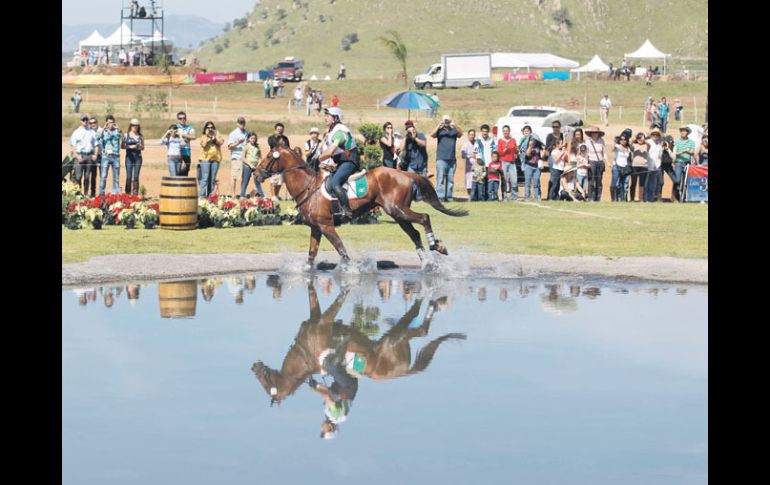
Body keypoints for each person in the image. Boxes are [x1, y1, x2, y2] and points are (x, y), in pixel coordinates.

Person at [318, 107, 359, 220]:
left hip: (350, 161)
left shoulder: (339, 132)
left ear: (335, 118)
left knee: (335, 182)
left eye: (328, 115)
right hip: (342, 161)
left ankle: (347, 210)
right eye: (325, 115)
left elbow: (330, 151)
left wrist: (319, 159)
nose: (325, 117)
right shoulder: (332, 130)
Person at [431, 115, 462, 202]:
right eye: (445, 120)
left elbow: (461, 134)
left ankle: (449, 197)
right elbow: (432, 135)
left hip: (452, 159)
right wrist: (439, 125)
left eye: (448, 120)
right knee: (440, 179)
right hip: (441, 158)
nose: (446, 122)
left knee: (450, 180)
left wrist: (455, 125)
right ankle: (440, 197)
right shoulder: (440, 130)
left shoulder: (453, 130)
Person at [399, 119, 428, 201]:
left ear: (414, 129)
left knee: (422, 182)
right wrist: (406, 138)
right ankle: (411, 197)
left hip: (422, 163)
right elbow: (401, 148)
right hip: (412, 164)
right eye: (408, 129)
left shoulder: (420, 135)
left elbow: (424, 144)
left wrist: (415, 138)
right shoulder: (407, 139)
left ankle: (420, 198)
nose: (411, 131)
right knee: (411, 182)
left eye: (412, 129)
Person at [70, 115, 99, 195]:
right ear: (81, 121)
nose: (85, 121)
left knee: (87, 177)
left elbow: (96, 144)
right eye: (83, 120)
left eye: (86, 120)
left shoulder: (92, 132)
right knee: (78, 176)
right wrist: (77, 156)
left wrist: (95, 155)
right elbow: (73, 146)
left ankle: (86, 194)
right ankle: (78, 193)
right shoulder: (76, 132)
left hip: (89, 156)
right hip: (80, 156)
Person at [646, 128, 673, 202]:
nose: (655, 136)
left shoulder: (660, 143)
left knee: (657, 182)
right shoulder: (648, 142)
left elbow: (667, 146)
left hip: (657, 166)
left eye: (657, 135)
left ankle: (653, 197)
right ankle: (647, 198)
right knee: (648, 183)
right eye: (653, 134)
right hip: (649, 166)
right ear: (651, 135)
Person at [198, 121, 223, 198]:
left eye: (212, 127)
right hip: (205, 159)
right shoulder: (203, 136)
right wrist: (207, 136)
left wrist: (214, 137)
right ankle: (202, 196)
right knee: (205, 178)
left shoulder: (217, 135)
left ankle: (210, 197)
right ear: (205, 129)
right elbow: (204, 145)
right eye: (208, 128)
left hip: (215, 159)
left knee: (212, 179)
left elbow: (220, 143)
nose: (210, 129)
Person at [120, 119, 144, 195]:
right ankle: (127, 193)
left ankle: (135, 194)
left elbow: (143, 148)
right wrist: (130, 147)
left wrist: (140, 146)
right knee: (129, 176)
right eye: (133, 125)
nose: (135, 127)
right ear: (130, 125)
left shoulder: (141, 136)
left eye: (136, 125)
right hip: (129, 157)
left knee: (136, 176)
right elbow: (122, 146)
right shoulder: (126, 135)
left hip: (138, 157)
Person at [99, 115, 122, 195]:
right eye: (108, 122)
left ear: (114, 123)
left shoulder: (117, 131)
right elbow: (97, 138)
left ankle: (115, 195)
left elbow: (124, 139)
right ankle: (101, 195)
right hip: (106, 156)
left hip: (116, 156)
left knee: (116, 178)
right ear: (106, 123)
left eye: (112, 122)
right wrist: (102, 129)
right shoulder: (104, 131)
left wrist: (119, 129)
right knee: (103, 176)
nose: (110, 124)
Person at [267, 123, 290, 199]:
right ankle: (273, 196)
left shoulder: (285, 138)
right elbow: (271, 144)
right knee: (273, 179)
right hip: (274, 161)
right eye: (278, 130)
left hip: (282, 161)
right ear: (275, 130)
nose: (280, 131)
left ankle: (276, 195)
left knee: (280, 180)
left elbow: (288, 148)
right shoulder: (271, 138)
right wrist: (278, 142)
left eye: (281, 130)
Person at [584, 126, 607, 201]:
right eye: (593, 133)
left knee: (599, 181)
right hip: (591, 161)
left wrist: (607, 162)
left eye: (596, 133)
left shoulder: (602, 141)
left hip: (600, 161)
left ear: (598, 133)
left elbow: (604, 153)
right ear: (591, 133)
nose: (594, 134)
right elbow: (586, 153)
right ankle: (590, 197)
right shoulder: (588, 142)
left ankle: (598, 197)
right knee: (591, 180)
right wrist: (586, 162)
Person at [673, 126, 696, 201]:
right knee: (677, 180)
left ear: (687, 133)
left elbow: (693, 152)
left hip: (687, 163)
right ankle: (675, 196)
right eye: (681, 131)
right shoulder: (676, 141)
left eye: (684, 131)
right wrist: (682, 152)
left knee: (685, 181)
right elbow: (674, 153)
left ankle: (683, 197)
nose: (682, 132)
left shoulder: (691, 142)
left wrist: (688, 152)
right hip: (678, 163)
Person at [496, 125, 519, 201]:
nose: (505, 132)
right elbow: (498, 153)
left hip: (512, 162)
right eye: (504, 131)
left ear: (509, 131)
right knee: (504, 180)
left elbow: (516, 151)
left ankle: (514, 197)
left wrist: (516, 149)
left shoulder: (513, 140)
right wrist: (504, 151)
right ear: (502, 132)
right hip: (503, 162)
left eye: (507, 130)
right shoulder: (500, 140)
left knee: (514, 180)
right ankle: (504, 197)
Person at [227, 117, 248, 195]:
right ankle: (233, 194)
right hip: (236, 157)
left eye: (243, 122)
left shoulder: (247, 133)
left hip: (245, 158)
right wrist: (238, 143)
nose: (242, 124)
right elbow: (229, 146)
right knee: (234, 177)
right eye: (240, 123)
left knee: (244, 177)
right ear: (237, 123)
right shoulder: (233, 133)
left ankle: (241, 194)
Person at [544, 121, 564, 200]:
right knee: (553, 178)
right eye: (553, 127)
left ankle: (556, 196)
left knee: (559, 177)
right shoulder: (549, 136)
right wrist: (553, 146)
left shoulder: (563, 135)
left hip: (561, 157)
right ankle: (550, 196)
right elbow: (547, 149)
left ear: (559, 127)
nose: (555, 128)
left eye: (557, 126)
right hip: (552, 157)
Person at [241, 132, 264, 198]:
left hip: (256, 167)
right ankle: (242, 195)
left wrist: (259, 164)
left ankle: (261, 195)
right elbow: (243, 157)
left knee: (257, 181)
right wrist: (250, 165)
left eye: (254, 138)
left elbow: (260, 157)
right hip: (248, 166)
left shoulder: (257, 146)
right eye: (251, 138)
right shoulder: (246, 146)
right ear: (248, 139)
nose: (253, 140)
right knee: (245, 181)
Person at [630, 132, 649, 202]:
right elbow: (630, 146)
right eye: (639, 138)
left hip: (644, 166)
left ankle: (640, 198)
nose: (640, 140)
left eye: (641, 138)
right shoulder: (634, 145)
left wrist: (644, 140)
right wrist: (635, 139)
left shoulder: (646, 145)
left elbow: (650, 145)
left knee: (642, 183)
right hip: (635, 166)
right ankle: (632, 198)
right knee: (633, 183)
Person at [612, 134, 632, 202]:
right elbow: (612, 149)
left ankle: (624, 199)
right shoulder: (617, 146)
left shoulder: (628, 148)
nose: (623, 141)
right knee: (618, 184)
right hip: (618, 167)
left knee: (625, 184)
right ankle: (617, 198)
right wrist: (614, 141)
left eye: (624, 139)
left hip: (625, 168)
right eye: (621, 139)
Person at [522, 136, 542, 201]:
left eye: (534, 140)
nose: (533, 141)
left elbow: (542, 156)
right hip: (528, 166)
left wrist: (544, 150)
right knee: (527, 183)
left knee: (536, 184)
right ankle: (527, 198)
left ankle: (536, 198)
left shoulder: (539, 147)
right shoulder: (527, 147)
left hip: (536, 167)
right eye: (532, 140)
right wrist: (530, 146)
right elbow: (528, 154)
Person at [175, 111, 196, 176]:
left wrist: (183, 135)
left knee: (186, 170)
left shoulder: (190, 128)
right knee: (177, 171)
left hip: (186, 152)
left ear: (186, 119)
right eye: (180, 118)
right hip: (177, 152)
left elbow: (194, 137)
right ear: (177, 119)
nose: (182, 120)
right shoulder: (175, 127)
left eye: (184, 118)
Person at [460, 130, 479, 198]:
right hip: (469, 167)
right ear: (468, 136)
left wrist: (476, 155)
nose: (472, 136)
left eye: (473, 135)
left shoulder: (477, 143)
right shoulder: (465, 144)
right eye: (470, 135)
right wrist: (470, 155)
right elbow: (462, 155)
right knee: (469, 182)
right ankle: (470, 196)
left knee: (477, 181)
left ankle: (476, 196)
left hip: (478, 166)